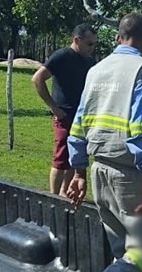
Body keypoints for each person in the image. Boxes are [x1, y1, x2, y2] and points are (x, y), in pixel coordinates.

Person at [61, 13, 142, 272]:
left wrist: (78, 171)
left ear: (118, 37)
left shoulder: (96, 69)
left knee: (123, 251)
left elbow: (79, 122)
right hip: (127, 172)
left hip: (98, 168)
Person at [31, 25, 98, 196]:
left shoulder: (90, 62)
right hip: (64, 116)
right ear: (77, 40)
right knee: (61, 158)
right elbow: (37, 79)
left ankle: (64, 194)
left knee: (75, 157)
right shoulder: (61, 56)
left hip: (81, 117)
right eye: (89, 44)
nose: (92, 48)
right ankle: (53, 197)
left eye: (94, 44)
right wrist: (54, 108)